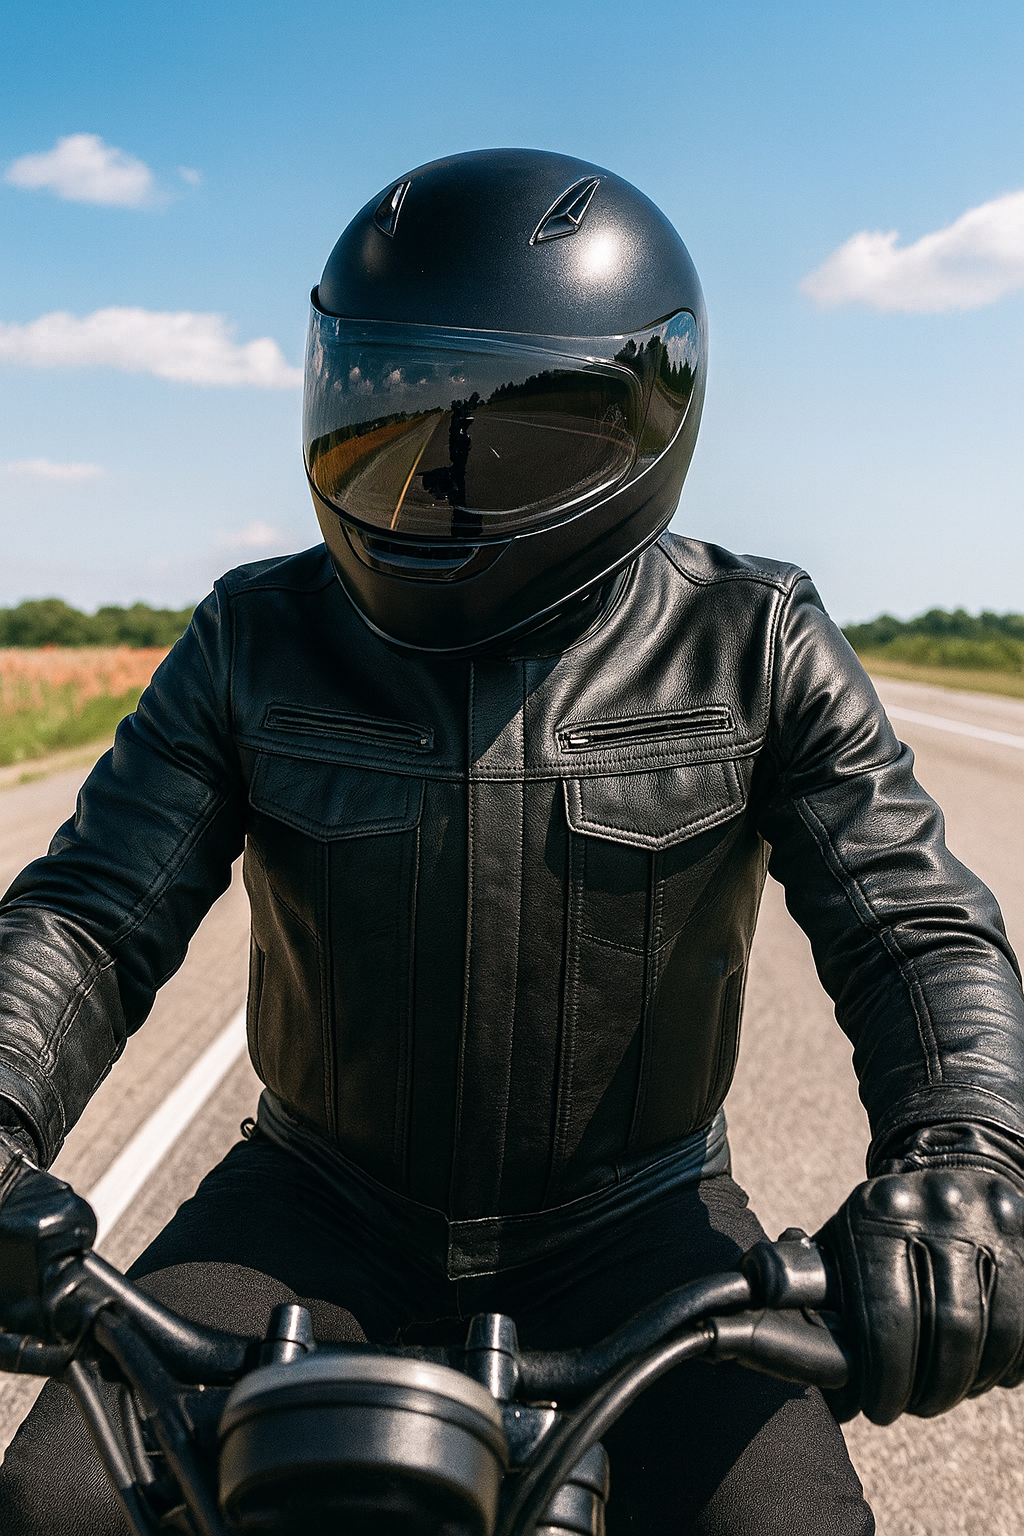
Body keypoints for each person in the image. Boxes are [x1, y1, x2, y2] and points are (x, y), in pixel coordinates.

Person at [0, 147, 1022, 1535]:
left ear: (650, 415)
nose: (442, 467)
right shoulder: (256, 636)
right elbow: (88, 918)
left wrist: (965, 1166)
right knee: (55, 1506)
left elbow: (915, 926)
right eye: (398, 400)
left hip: (643, 1235)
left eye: (513, 420)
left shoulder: (756, 637)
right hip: (309, 1206)